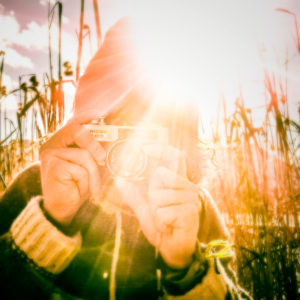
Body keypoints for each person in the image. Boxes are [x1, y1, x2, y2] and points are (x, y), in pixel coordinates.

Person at [0, 18, 250, 299]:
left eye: (150, 133)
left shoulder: (196, 209)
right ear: (90, 121)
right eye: (115, 127)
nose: (131, 149)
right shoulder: (37, 185)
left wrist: (185, 267)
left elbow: (234, 285)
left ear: (179, 138)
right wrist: (49, 221)